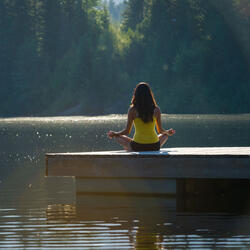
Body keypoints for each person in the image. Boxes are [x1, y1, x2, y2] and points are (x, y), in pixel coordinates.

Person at [107, 82, 175, 151]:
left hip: (138, 146)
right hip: (154, 146)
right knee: (165, 135)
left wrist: (115, 133)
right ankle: (131, 147)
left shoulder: (132, 110)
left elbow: (127, 131)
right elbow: (160, 131)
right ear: (150, 95)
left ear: (136, 94)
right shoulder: (156, 109)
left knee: (117, 137)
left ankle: (130, 148)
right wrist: (167, 132)